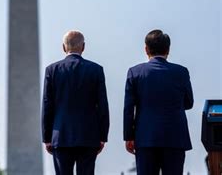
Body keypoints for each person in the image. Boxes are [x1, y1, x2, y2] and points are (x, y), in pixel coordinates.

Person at [123, 29, 193, 174]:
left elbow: (129, 108)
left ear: (146, 49)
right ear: (168, 49)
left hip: (145, 137)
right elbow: (188, 102)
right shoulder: (181, 72)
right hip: (175, 137)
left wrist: (129, 136)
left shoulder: (134, 72)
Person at [42, 30, 109, 175]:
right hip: (88, 135)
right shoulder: (96, 70)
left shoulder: (52, 70)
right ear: (83, 47)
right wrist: (103, 136)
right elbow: (102, 105)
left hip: (61, 136)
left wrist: (47, 137)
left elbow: (48, 105)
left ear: (63, 47)